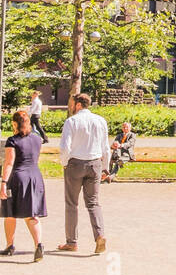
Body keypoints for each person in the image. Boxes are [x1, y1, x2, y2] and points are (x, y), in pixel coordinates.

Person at [58, 93, 109, 254]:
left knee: (72, 203)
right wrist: (106, 167)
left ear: (78, 105)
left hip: (76, 163)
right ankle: (99, 234)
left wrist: (65, 163)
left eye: (72, 103)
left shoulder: (71, 121)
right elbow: (105, 147)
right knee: (93, 203)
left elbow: (65, 147)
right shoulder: (100, 121)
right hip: (95, 163)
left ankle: (72, 241)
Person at [1, 110, 46, 262]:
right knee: (32, 213)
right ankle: (38, 244)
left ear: (14, 123)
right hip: (35, 176)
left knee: (9, 212)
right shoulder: (37, 139)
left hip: (18, 178)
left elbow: (9, 163)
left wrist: (3, 182)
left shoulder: (12, 141)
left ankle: (10, 245)